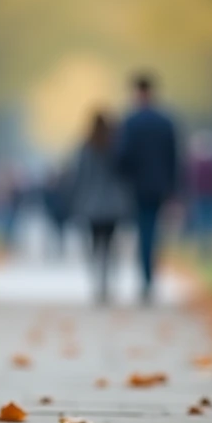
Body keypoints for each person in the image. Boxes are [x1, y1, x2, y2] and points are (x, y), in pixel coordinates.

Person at [115, 74, 179, 302]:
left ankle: (146, 276)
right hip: (159, 185)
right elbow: (173, 157)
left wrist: (125, 177)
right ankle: (149, 274)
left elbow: (121, 156)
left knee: (144, 230)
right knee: (152, 230)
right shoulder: (165, 122)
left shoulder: (130, 122)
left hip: (137, 186)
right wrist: (173, 188)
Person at [65, 112, 132, 305]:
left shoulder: (86, 148)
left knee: (95, 243)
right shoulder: (115, 146)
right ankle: (107, 280)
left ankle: (98, 281)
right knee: (110, 243)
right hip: (113, 203)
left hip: (92, 202)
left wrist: (76, 199)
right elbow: (125, 173)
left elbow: (79, 175)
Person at [185, 129, 212, 263]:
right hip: (208, 197)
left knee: (204, 223)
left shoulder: (195, 162)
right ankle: (207, 249)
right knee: (208, 224)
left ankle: (206, 249)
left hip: (204, 197)